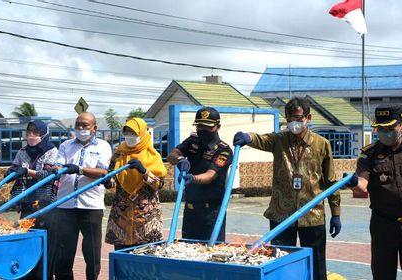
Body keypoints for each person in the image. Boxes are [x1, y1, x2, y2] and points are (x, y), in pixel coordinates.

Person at [233, 97, 340, 280]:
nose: (294, 123)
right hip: (281, 215)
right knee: (282, 264)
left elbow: (330, 181)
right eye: (290, 119)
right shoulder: (279, 140)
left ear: (308, 117)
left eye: (298, 118)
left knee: (316, 265)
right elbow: (261, 139)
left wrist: (336, 213)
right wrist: (248, 137)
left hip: (312, 215)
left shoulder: (322, 144)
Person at [345, 104, 402, 280]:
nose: (385, 132)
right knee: (382, 275)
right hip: (383, 226)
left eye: (389, 128)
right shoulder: (369, 155)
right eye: (380, 128)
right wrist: (353, 182)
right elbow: (362, 185)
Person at [52, 112, 112, 280]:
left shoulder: (103, 146)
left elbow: (103, 172)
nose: (80, 128)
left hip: (91, 207)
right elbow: (58, 164)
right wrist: (56, 169)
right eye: (78, 124)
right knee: (64, 253)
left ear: (94, 128)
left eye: (85, 125)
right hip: (65, 206)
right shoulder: (66, 145)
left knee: (92, 253)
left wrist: (79, 169)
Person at [167, 107, 233, 242]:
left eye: (207, 127)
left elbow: (210, 175)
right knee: (188, 250)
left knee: (211, 253)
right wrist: (179, 160)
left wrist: (193, 178)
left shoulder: (223, 150)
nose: (203, 130)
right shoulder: (193, 140)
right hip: (191, 210)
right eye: (200, 126)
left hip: (212, 212)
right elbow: (172, 155)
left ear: (217, 127)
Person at [5, 120, 58, 280]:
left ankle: (45, 275)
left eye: (35, 132)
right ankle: (27, 274)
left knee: (44, 242)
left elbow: (49, 174)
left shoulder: (51, 150)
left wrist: (28, 171)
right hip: (27, 201)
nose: (31, 135)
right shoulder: (22, 151)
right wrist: (10, 173)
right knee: (27, 240)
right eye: (29, 132)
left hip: (45, 203)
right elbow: (14, 168)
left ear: (44, 134)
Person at [105, 118, 167, 250]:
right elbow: (113, 181)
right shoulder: (119, 154)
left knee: (145, 263)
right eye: (127, 133)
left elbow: (159, 184)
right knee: (121, 261)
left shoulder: (153, 156)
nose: (129, 137)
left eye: (133, 133)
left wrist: (144, 171)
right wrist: (106, 181)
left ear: (143, 134)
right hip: (122, 218)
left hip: (146, 220)